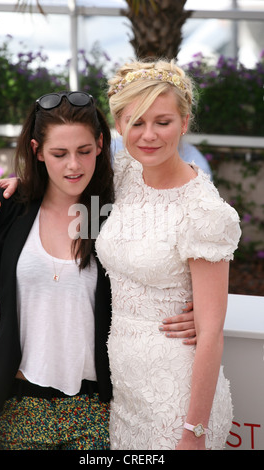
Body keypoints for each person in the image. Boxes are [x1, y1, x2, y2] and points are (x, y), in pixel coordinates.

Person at [0, 90, 196, 450]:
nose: (73, 166)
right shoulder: (10, 209)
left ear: (99, 144)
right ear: (37, 151)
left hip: (96, 407)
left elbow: (172, 255)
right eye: (59, 154)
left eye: (83, 151)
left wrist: (194, 313)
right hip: (19, 403)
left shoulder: (109, 212)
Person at [96, 59, 241, 450]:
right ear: (119, 124)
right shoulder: (126, 170)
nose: (148, 135)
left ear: (184, 120)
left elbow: (210, 334)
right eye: (135, 122)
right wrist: (14, 180)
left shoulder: (204, 212)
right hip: (125, 390)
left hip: (176, 400)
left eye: (163, 121)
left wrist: (192, 433)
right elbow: (61, 169)